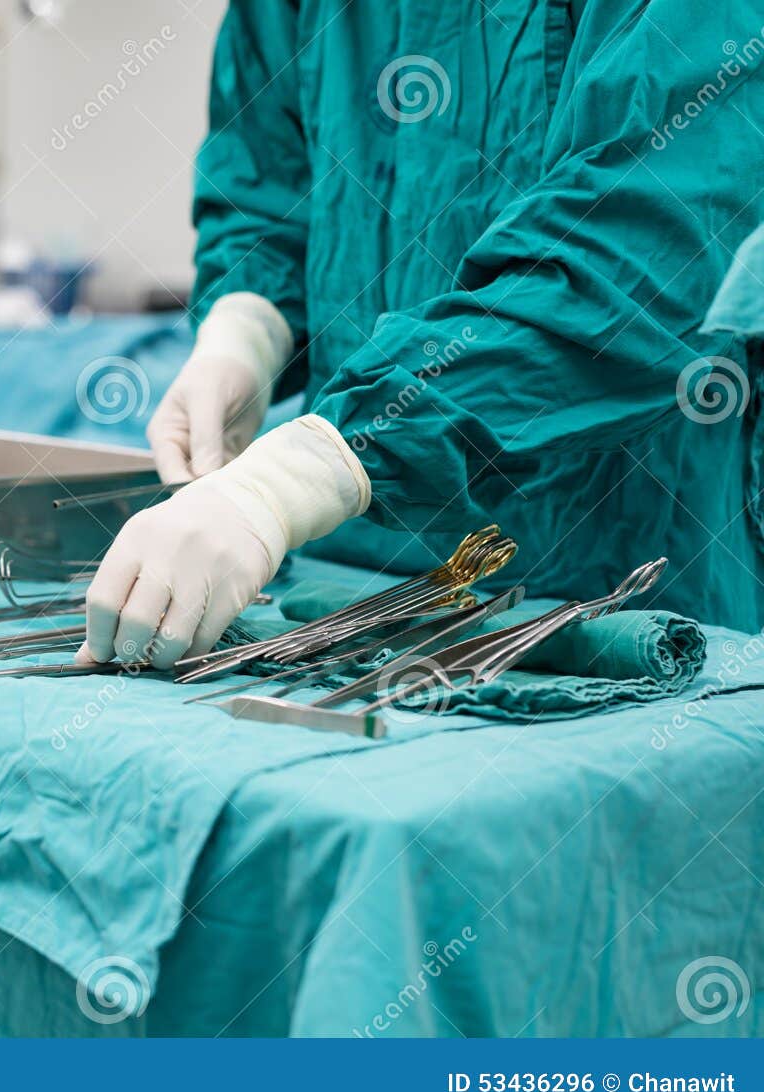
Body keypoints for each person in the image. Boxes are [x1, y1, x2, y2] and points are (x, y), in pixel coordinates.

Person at [83, 0, 764, 669]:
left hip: (610, 587)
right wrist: (247, 326)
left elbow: (646, 252)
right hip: (338, 575)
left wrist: (303, 475)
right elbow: (269, 174)